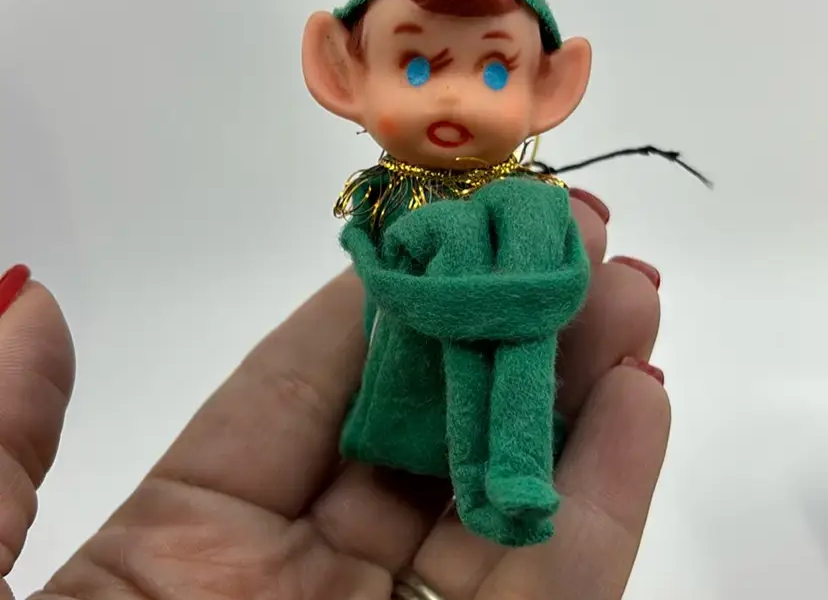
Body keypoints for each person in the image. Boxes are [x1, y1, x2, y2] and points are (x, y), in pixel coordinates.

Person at [0, 189, 669, 600]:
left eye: (495, 72)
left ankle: (510, 474)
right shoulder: (413, 206)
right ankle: (496, 474)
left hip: (492, 322)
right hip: (410, 386)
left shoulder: (526, 212)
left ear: (555, 79)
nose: (454, 93)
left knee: (523, 360)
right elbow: (376, 256)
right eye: (416, 65)